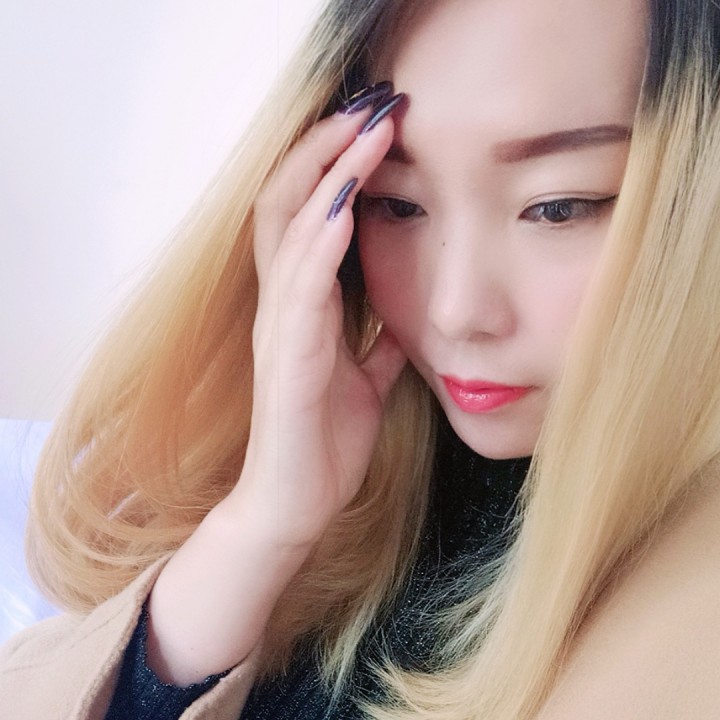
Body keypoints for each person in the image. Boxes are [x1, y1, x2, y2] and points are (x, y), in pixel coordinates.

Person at [3, 0, 720, 717]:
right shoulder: (360, 463)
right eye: (396, 204)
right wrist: (263, 523)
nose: (454, 311)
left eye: (559, 206)